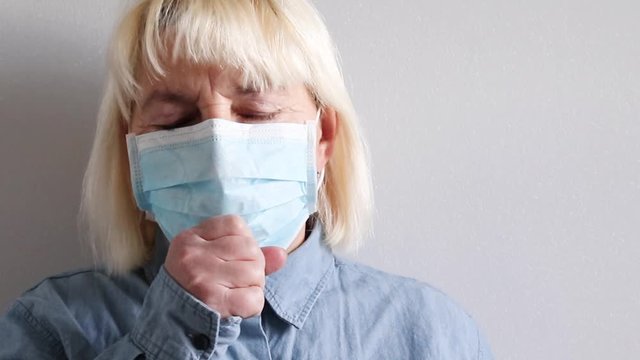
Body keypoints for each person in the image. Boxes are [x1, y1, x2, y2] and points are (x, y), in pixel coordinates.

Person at [0, 0, 493, 359]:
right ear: (132, 151)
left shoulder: (425, 332)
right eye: (175, 123)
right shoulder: (52, 326)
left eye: (256, 113)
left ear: (320, 138)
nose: (218, 151)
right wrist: (170, 333)